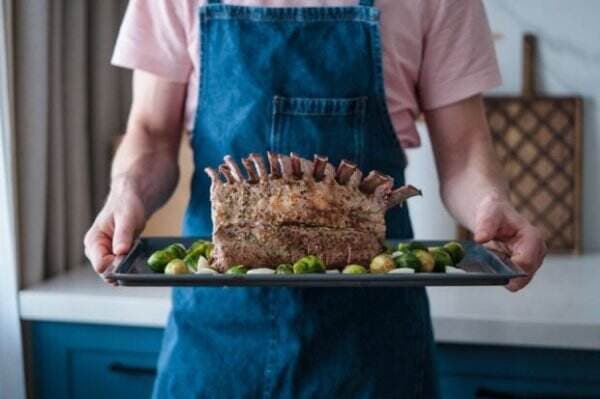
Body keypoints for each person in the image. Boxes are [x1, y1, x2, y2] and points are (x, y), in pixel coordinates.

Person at [84, 0, 546, 397]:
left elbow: (465, 151)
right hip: (217, 335)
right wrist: (125, 194)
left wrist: (490, 206)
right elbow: (151, 133)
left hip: (370, 345)